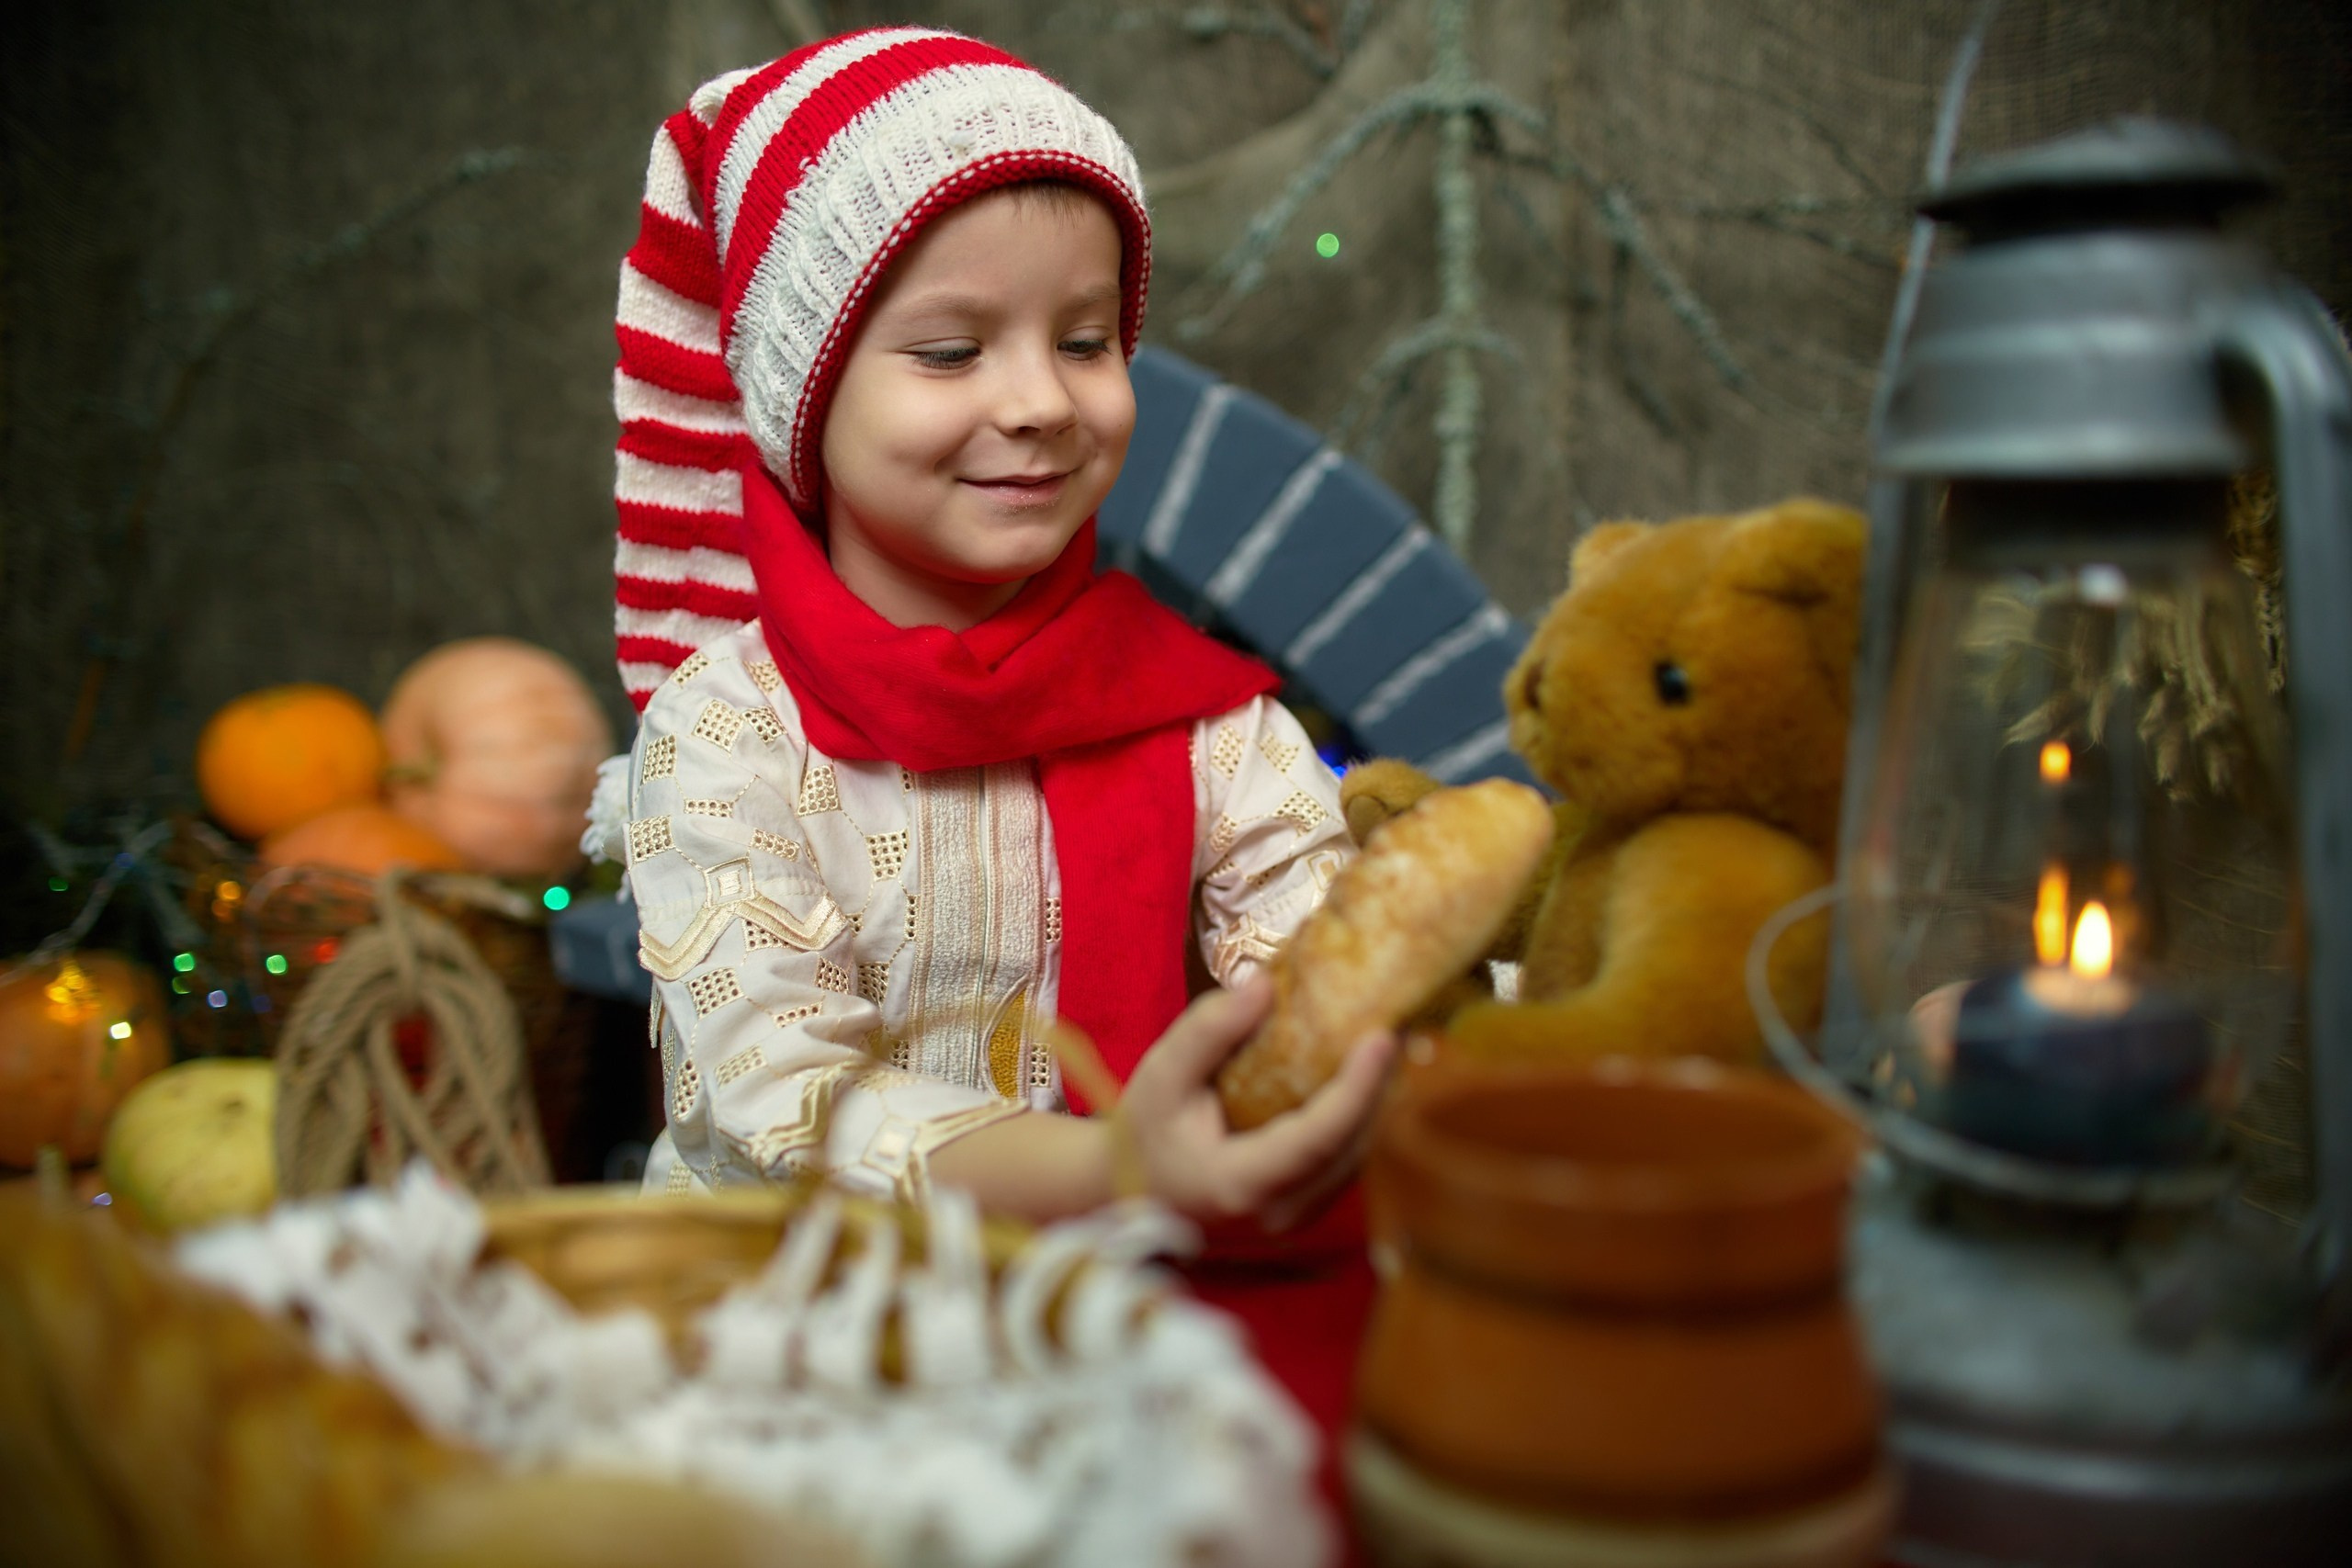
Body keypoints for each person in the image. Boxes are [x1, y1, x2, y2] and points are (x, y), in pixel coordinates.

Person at [606, 26, 1393, 1471]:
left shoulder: (1202, 716)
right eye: (953, 348)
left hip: (1106, 1332)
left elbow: (1324, 972)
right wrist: (1115, 1167)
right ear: (807, 396)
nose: (1039, 399)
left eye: (1085, 340)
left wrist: (1374, 1021)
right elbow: (789, 1104)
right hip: (792, 1343)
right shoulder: (727, 735)